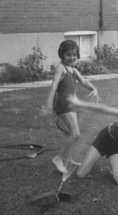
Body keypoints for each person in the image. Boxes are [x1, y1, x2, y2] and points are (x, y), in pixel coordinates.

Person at [41, 40, 99, 173]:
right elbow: (54, 85)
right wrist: (49, 104)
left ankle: (68, 158)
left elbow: (83, 81)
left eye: (74, 55)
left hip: (71, 105)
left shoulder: (72, 70)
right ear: (61, 54)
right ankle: (58, 158)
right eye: (68, 55)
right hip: (63, 105)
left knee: (74, 134)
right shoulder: (60, 68)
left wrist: (94, 88)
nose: (72, 57)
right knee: (76, 134)